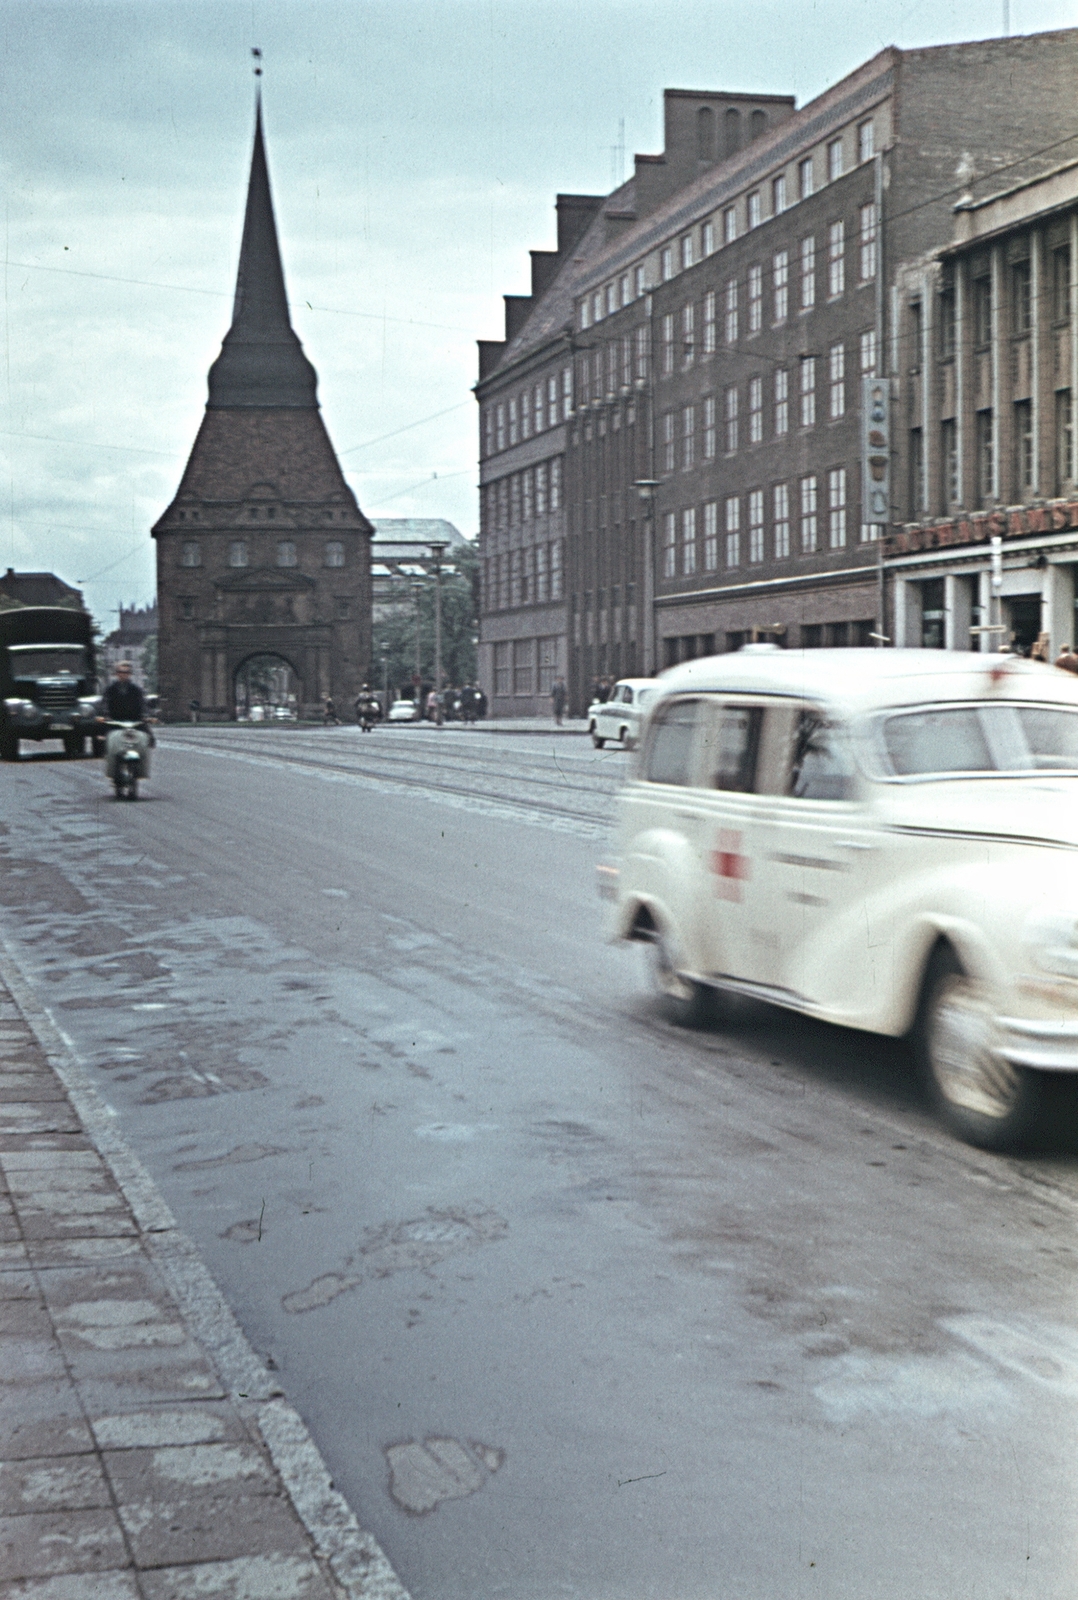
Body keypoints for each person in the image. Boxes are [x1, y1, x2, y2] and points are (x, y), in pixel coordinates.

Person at [99, 662, 151, 782]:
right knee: (108, 741)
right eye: (121, 672)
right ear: (116, 674)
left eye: (126, 672)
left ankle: (141, 770)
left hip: (135, 722)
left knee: (146, 740)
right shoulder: (110, 689)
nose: (123, 674)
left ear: (130, 674)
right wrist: (104, 715)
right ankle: (112, 768)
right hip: (115, 722)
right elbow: (104, 703)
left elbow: (143, 704)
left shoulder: (136, 690)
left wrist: (147, 716)